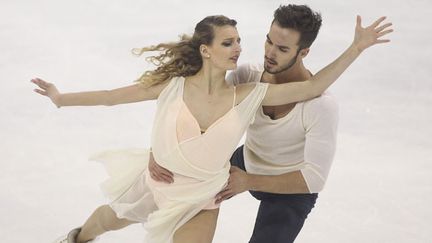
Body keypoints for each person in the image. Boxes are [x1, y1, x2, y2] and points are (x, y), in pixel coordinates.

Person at [31, 11, 392, 243]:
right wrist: (61, 98)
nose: (247, 49)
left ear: (303, 52)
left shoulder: (253, 92)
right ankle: (77, 238)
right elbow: (114, 96)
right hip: (176, 176)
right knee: (108, 220)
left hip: (241, 190)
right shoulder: (208, 81)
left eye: (239, 41)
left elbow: (313, 95)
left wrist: (356, 48)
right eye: (229, 42)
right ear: (206, 49)